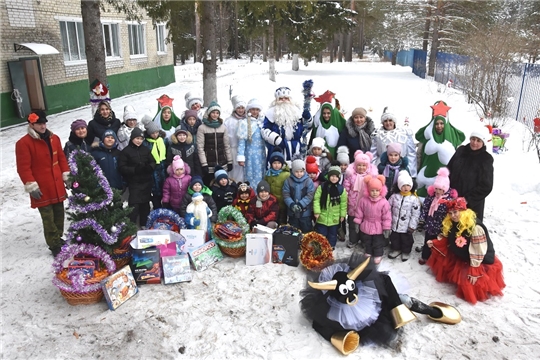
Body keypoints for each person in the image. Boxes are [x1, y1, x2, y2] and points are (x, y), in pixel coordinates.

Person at [300, 254, 462, 355]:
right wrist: (335, 338)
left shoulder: (367, 285)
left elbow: (384, 279)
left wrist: (395, 304)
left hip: (375, 301)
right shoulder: (327, 308)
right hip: (352, 315)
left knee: (395, 295)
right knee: (376, 329)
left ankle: (425, 308)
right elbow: (318, 324)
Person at [426, 197, 505, 304]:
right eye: (450, 213)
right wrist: (435, 242)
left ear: (463, 212)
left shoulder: (476, 227)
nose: (453, 216)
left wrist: (474, 269)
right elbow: (448, 239)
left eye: (455, 212)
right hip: (463, 254)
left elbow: (478, 250)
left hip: (478, 259)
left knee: (467, 282)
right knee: (444, 261)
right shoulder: (452, 223)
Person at [16, 110, 70, 256]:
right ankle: (53, 244)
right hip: (42, 187)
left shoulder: (55, 138)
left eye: (44, 123)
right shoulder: (23, 143)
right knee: (48, 217)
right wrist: (31, 185)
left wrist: (66, 175)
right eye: (39, 124)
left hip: (56, 184)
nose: (43, 126)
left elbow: (62, 159)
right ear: (31, 124)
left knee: (59, 213)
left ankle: (58, 238)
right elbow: (23, 167)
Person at [415, 101, 465, 198]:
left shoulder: (452, 135)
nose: (439, 126)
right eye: (437, 124)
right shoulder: (427, 135)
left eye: (442, 123)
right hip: (425, 176)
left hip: (445, 180)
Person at [446, 126, 493, 222]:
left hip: (471, 205)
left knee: (466, 231)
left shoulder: (485, 159)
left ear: (483, 142)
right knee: (450, 228)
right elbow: (448, 169)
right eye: (473, 139)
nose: (475, 143)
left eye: (478, 140)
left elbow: (486, 186)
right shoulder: (461, 151)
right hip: (452, 199)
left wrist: (467, 199)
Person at [417, 167, 458, 264]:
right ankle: (425, 256)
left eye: (441, 189)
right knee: (427, 240)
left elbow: (449, 213)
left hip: (441, 225)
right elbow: (426, 208)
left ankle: (434, 259)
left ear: (445, 189)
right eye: (436, 189)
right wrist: (423, 218)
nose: (438, 191)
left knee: (438, 242)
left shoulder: (449, 200)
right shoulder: (431, 196)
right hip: (430, 224)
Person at [261, 86, 312, 165]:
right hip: (278, 148)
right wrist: (276, 139)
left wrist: (308, 119)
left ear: (290, 99)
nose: (284, 100)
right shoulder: (271, 113)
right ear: (276, 100)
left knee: (296, 171)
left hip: (296, 148)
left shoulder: (297, 112)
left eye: (286, 98)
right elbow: (264, 130)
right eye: (281, 99)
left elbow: (306, 129)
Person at [118, 128, 156, 228]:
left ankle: (144, 224)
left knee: (145, 205)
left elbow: (153, 161)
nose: (139, 141)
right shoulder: (126, 151)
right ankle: (131, 226)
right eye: (137, 138)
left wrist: (149, 167)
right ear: (132, 138)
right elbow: (122, 167)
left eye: (141, 139)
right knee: (134, 205)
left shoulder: (145, 149)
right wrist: (134, 170)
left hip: (146, 181)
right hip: (134, 182)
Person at [352, 174, 391, 265]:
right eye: (372, 190)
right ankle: (368, 252)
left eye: (377, 190)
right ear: (368, 190)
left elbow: (386, 216)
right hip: (366, 224)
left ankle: (378, 254)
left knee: (377, 242)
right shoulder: (363, 200)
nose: (374, 192)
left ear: (381, 191)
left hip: (378, 226)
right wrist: (357, 222)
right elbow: (359, 212)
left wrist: (386, 228)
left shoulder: (384, 202)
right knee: (367, 241)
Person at [343, 151, 377, 248]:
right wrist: (346, 199)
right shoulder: (351, 176)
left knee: (364, 224)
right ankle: (353, 240)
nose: (361, 167)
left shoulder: (371, 177)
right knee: (353, 224)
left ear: (368, 166)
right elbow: (346, 188)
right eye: (359, 165)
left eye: (363, 165)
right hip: (353, 204)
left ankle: (364, 241)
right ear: (355, 165)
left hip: (365, 206)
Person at [370, 107, 417, 178]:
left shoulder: (404, 133)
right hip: (383, 168)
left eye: (390, 120)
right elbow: (373, 154)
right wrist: (373, 172)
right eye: (385, 121)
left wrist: (411, 173)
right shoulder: (377, 134)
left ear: (394, 121)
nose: (388, 123)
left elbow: (411, 154)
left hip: (401, 168)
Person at [196, 101, 233, 186]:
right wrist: (204, 164)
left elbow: (226, 146)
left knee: (221, 185)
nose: (215, 115)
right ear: (209, 113)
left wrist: (229, 161)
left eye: (217, 113)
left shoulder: (223, 127)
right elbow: (200, 148)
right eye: (213, 112)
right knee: (210, 184)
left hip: (221, 162)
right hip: (209, 163)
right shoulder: (202, 128)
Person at [387, 171, 421, 262]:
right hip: (395, 224)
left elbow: (415, 214)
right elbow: (388, 208)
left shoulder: (414, 199)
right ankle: (396, 249)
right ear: (399, 186)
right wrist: (388, 221)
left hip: (407, 226)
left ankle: (406, 251)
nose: (405, 188)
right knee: (395, 238)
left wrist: (412, 226)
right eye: (403, 185)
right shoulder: (394, 197)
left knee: (406, 240)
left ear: (411, 186)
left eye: (408, 185)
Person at [313, 165, 347, 249]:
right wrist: (317, 211)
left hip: (334, 217)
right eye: (332, 176)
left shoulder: (341, 190)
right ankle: (321, 246)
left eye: (336, 176)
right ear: (328, 176)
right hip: (322, 215)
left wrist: (342, 215)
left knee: (332, 233)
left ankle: (331, 246)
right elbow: (316, 199)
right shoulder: (322, 187)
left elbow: (343, 203)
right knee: (321, 233)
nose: (334, 178)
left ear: (339, 177)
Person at [237, 98, 266, 190]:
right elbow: (242, 142)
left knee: (262, 173)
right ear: (249, 110)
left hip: (261, 153)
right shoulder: (244, 123)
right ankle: (252, 193)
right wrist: (241, 156)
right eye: (253, 109)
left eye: (257, 109)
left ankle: (262, 193)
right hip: (250, 154)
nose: (255, 112)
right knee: (252, 174)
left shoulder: (262, 122)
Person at [283, 157, 315, 233]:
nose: (299, 173)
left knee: (306, 231)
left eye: (301, 171)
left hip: (305, 213)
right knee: (294, 231)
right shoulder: (288, 181)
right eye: (296, 171)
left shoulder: (308, 181)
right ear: (293, 171)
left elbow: (310, 195)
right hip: (292, 212)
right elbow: (286, 194)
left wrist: (301, 204)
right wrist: (292, 204)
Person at [143, 121, 168, 209]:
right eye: (153, 133)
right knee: (155, 193)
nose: (155, 135)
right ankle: (157, 209)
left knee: (165, 191)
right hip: (153, 171)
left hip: (163, 168)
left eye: (156, 132)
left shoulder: (163, 140)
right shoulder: (146, 143)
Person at [225, 95, 248, 182]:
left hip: (245, 150)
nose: (241, 110)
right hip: (233, 149)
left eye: (242, 108)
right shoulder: (229, 121)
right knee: (234, 170)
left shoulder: (247, 120)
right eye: (238, 108)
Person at [264, 151, 290, 225]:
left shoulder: (286, 174)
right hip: (272, 202)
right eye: (274, 163)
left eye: (279, 163)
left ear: (282, 164)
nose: (277, 165)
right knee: (273, 219)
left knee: (282, 219)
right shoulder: (268, 173)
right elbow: (266, 185)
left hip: (283, 202)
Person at [335, 148, 350, 241]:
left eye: (345, 165)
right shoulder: (335, 174)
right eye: (341, 165)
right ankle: (337, 231)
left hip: (345, 198)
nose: (343, 167)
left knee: (343, 216)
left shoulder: (349, 174)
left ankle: (343, 232)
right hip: (336, 197)